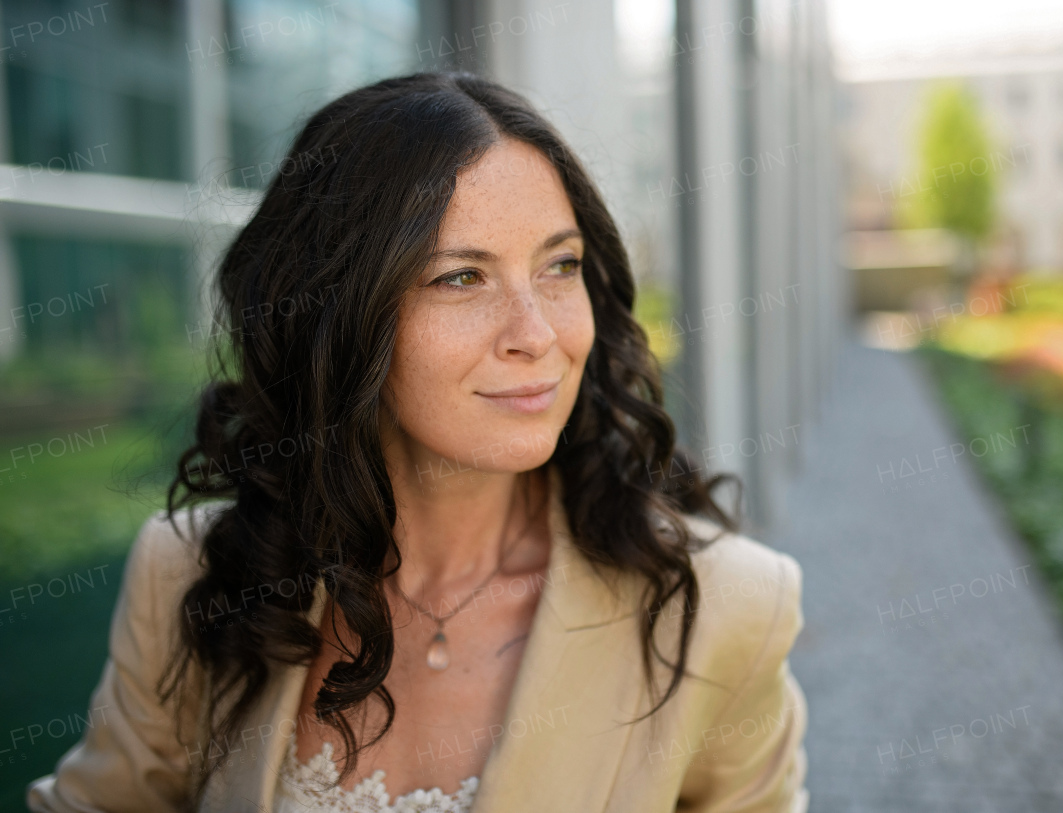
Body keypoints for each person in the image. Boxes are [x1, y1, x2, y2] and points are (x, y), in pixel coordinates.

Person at [26, 71, 808, 813]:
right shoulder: (194, 573)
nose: (536, 335)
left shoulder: (724, 606)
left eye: (560, 265)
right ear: (335, 315)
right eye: (461, 277)